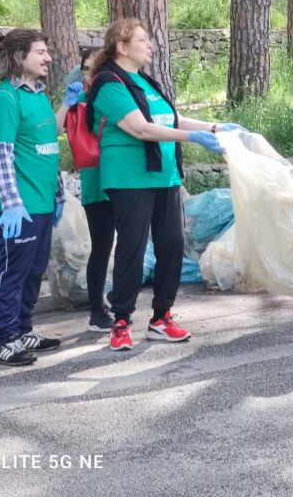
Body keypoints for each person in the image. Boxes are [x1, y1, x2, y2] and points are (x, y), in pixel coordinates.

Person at [84, 18, 241, 352]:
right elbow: (140, 128)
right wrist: (192, 138)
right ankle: (122, 320)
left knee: (171, 244)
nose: (150, 44)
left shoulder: (145, 82)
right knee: (132, 248)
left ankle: (161, 317)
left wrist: (213, 127)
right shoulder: (109, 83)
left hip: (165, 176)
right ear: (121, 47)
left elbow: (170, 118)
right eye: (143, 40)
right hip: (130, 180)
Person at [0, 29, 65, 367]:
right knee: (13, 272)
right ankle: (6, 339)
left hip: (43, 201)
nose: (48, 58)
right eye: (40, 52)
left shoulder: (39, 95)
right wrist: (11, 202)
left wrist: (58, 193)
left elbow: (47, 148)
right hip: (20, 205)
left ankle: (23, 328)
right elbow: (0, 155)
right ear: (19, 57)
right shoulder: (5, 98)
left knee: (34, 271)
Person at [61, 47, 116, 333]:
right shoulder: (79, 98)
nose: (90, 75)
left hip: (126, 178)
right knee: (102, 246)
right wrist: (68, 101)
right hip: (97, 181)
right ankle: (98, 310)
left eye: (95, 68)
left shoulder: (118, 93)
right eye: (85, 69)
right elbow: (54, 128)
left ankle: (119, 303)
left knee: (131, 245)